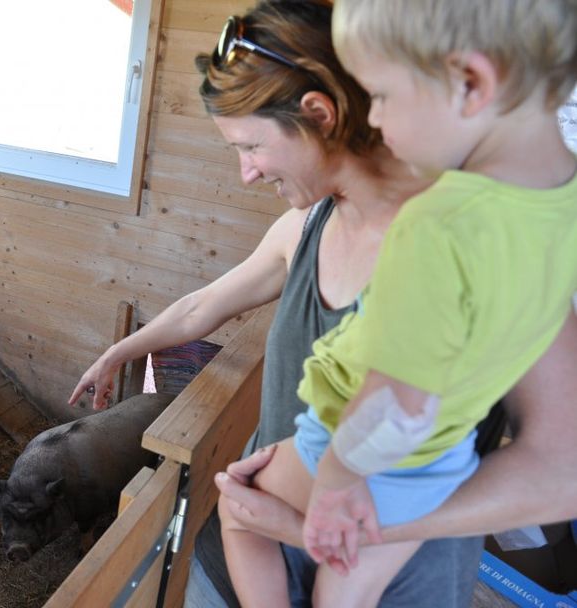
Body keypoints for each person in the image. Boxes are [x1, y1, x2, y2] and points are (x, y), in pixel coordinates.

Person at [67, 1, 574, 606]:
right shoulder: (306, 225)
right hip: (246, 559)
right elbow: (204, 307)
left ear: (318, 114)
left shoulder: (481, 243)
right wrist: (119, 353)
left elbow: (561, 470)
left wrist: (350, 524)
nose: (246, 174)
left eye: (252, 145)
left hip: (392, 576)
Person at [216, 0, 577, 606]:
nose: (375, 118)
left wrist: (337, 482)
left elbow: (395, 405)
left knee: (235, 511)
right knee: (345, 592)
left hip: (354, 449)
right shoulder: (558, 202)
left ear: (471, 84)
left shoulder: (436, 226)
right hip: (444, 464)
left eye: (380, 94)